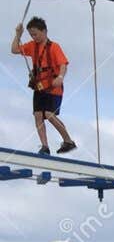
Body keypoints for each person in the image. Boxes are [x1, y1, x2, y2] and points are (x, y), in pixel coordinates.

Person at [11, 17, 77, 155]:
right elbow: (15, 49)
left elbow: (63, 64)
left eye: (35, 34)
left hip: (53, 86)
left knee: (48, 114)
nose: (33, 37)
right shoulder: (31, 45)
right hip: (39, 86)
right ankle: (45, 146)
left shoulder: (54, 47)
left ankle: (68, 141)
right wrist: (18, 34)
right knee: (37, 115)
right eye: (31, 34)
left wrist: (60, 77)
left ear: (44, 31)